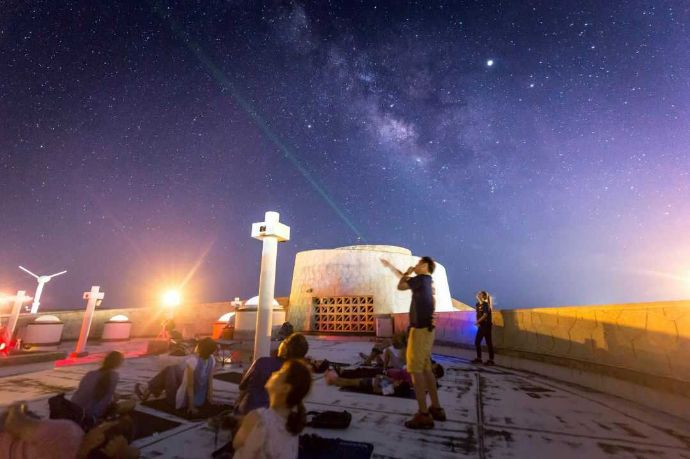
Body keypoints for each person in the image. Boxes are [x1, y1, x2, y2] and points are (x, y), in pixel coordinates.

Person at [385, 256, 446, 429]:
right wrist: (393, 267)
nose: (416, 265)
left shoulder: (421, 279)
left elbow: (401, 285)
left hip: (419, 330)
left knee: (415, 370)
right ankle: (436, 408)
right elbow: (405, 280)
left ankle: (423, 414)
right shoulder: (427, 281)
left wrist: (407, 272)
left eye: (419, 263)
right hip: (428, 330)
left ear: (426, 265)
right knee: (426, 368)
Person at [232, 359, 312, 459]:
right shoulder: (292, 425)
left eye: (281, 371)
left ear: (285, 388)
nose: (274, 372)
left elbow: (236, 444)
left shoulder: (257, 418)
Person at [0, 402, 139, 459]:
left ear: (100, 438)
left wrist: (18, 407)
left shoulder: (69, 433)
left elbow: (14, 423)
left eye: (104, 424)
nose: (99, 424)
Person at [135, 337, 217, 415]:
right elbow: (210, 381)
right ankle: (149, 388)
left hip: (182, 402)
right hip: (201, 400)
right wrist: (210, 399)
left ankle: (147, 388)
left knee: (169, 370)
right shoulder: (212, 360)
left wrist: (191, 406)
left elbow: (190, 386)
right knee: (174, 368)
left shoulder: (193, 361)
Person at [234, 333, 309, 416]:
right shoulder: (297, 373)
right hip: (276, 415)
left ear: (285, 348)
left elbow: (242, 386)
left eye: (283, 342)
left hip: (251, 410)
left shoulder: (262, 362)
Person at [324, 361, 443, 398]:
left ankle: (338, 377)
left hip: (384, 377)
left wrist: (384, 378)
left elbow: (381, 389)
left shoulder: (419, 378)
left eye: (434, 367)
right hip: (385, 375)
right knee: (360, 374)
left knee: (358, 377)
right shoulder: (420, 373)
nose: (432, 366)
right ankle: (339, 376)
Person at [71, 351, 124, 423]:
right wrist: (115, 398)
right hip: (91, 413)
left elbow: (85, 390)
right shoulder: (114, 376)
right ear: (118, 363)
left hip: (74, 407)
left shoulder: (90, 374)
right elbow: (105, 397)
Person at [472, 290, 495, 365]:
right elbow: (477, 314)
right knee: (479, 342)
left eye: (480, 294)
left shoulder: (486, 305)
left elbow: (485, 315)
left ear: (484, 296)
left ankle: (490, 360)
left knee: (486, 342)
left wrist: (477, 322)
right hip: (481, 325)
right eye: (478, 294)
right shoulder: (477, 304)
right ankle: (480, 359)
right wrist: (478, 322)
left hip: (486, 325)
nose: (478, 295)